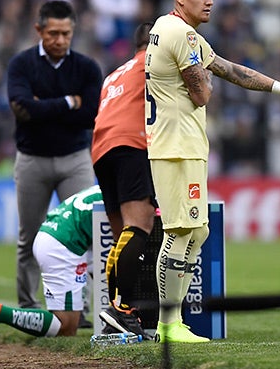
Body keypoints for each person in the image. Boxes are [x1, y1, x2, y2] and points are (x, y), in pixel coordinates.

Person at [145, 0, 280, 343]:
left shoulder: (170, 30)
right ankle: (168, 325)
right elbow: (203, 94)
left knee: (198, 230)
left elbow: (228, 70)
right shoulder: (181, 34)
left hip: (181, 146)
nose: (209, 0)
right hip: (176, 147)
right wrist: (200, 78)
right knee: (180, 231)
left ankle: (171, 324)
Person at [6, 0, 102, 327]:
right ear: (39, 30)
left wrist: (42, 108)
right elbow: (21, 109)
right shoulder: (21, 64)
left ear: (73, 31)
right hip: (32, 160)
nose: (60, 40)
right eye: (53, 33)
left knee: (87, 235)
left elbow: (91, 115)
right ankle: (29, 306)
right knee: (29, 237)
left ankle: (84, 311)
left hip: (75, 159)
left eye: (66, 33)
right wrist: (67, 103)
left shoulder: (87, 68)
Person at [0, 185, 126, 344]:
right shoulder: (128, 196)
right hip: (63, 245)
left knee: (111, 287)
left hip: (62, 238)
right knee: (66, 327)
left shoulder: (111, 186)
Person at [91, 22, 162, 337]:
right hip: (131, 144)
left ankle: (118, 315)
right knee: (140, 224)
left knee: (122, 236)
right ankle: (120, 308)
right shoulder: (153, 61)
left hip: (101, 149)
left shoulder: (114, 74)